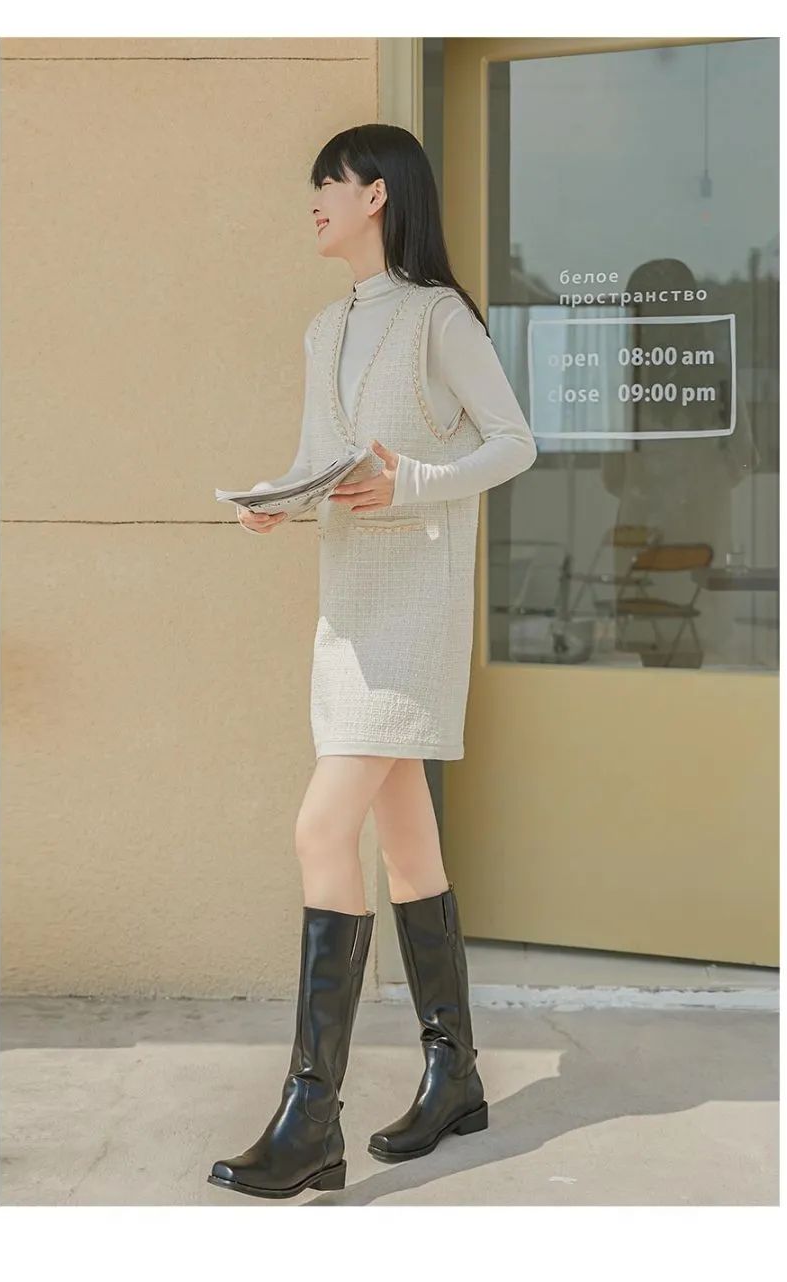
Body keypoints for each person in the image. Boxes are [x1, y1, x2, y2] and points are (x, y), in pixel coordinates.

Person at [208, 124, 537, 1199]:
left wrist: (413, 484)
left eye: (328, 183)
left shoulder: (437, 316)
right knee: (406, 843)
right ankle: (456, 1073)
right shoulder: (326, 327)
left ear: (378, 194)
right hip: (349, 605)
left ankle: (312, 1115)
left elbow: (513, 442)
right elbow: (323, 458)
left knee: (321, 828)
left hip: (416, 605)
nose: (313, 199)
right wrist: (276, 501)